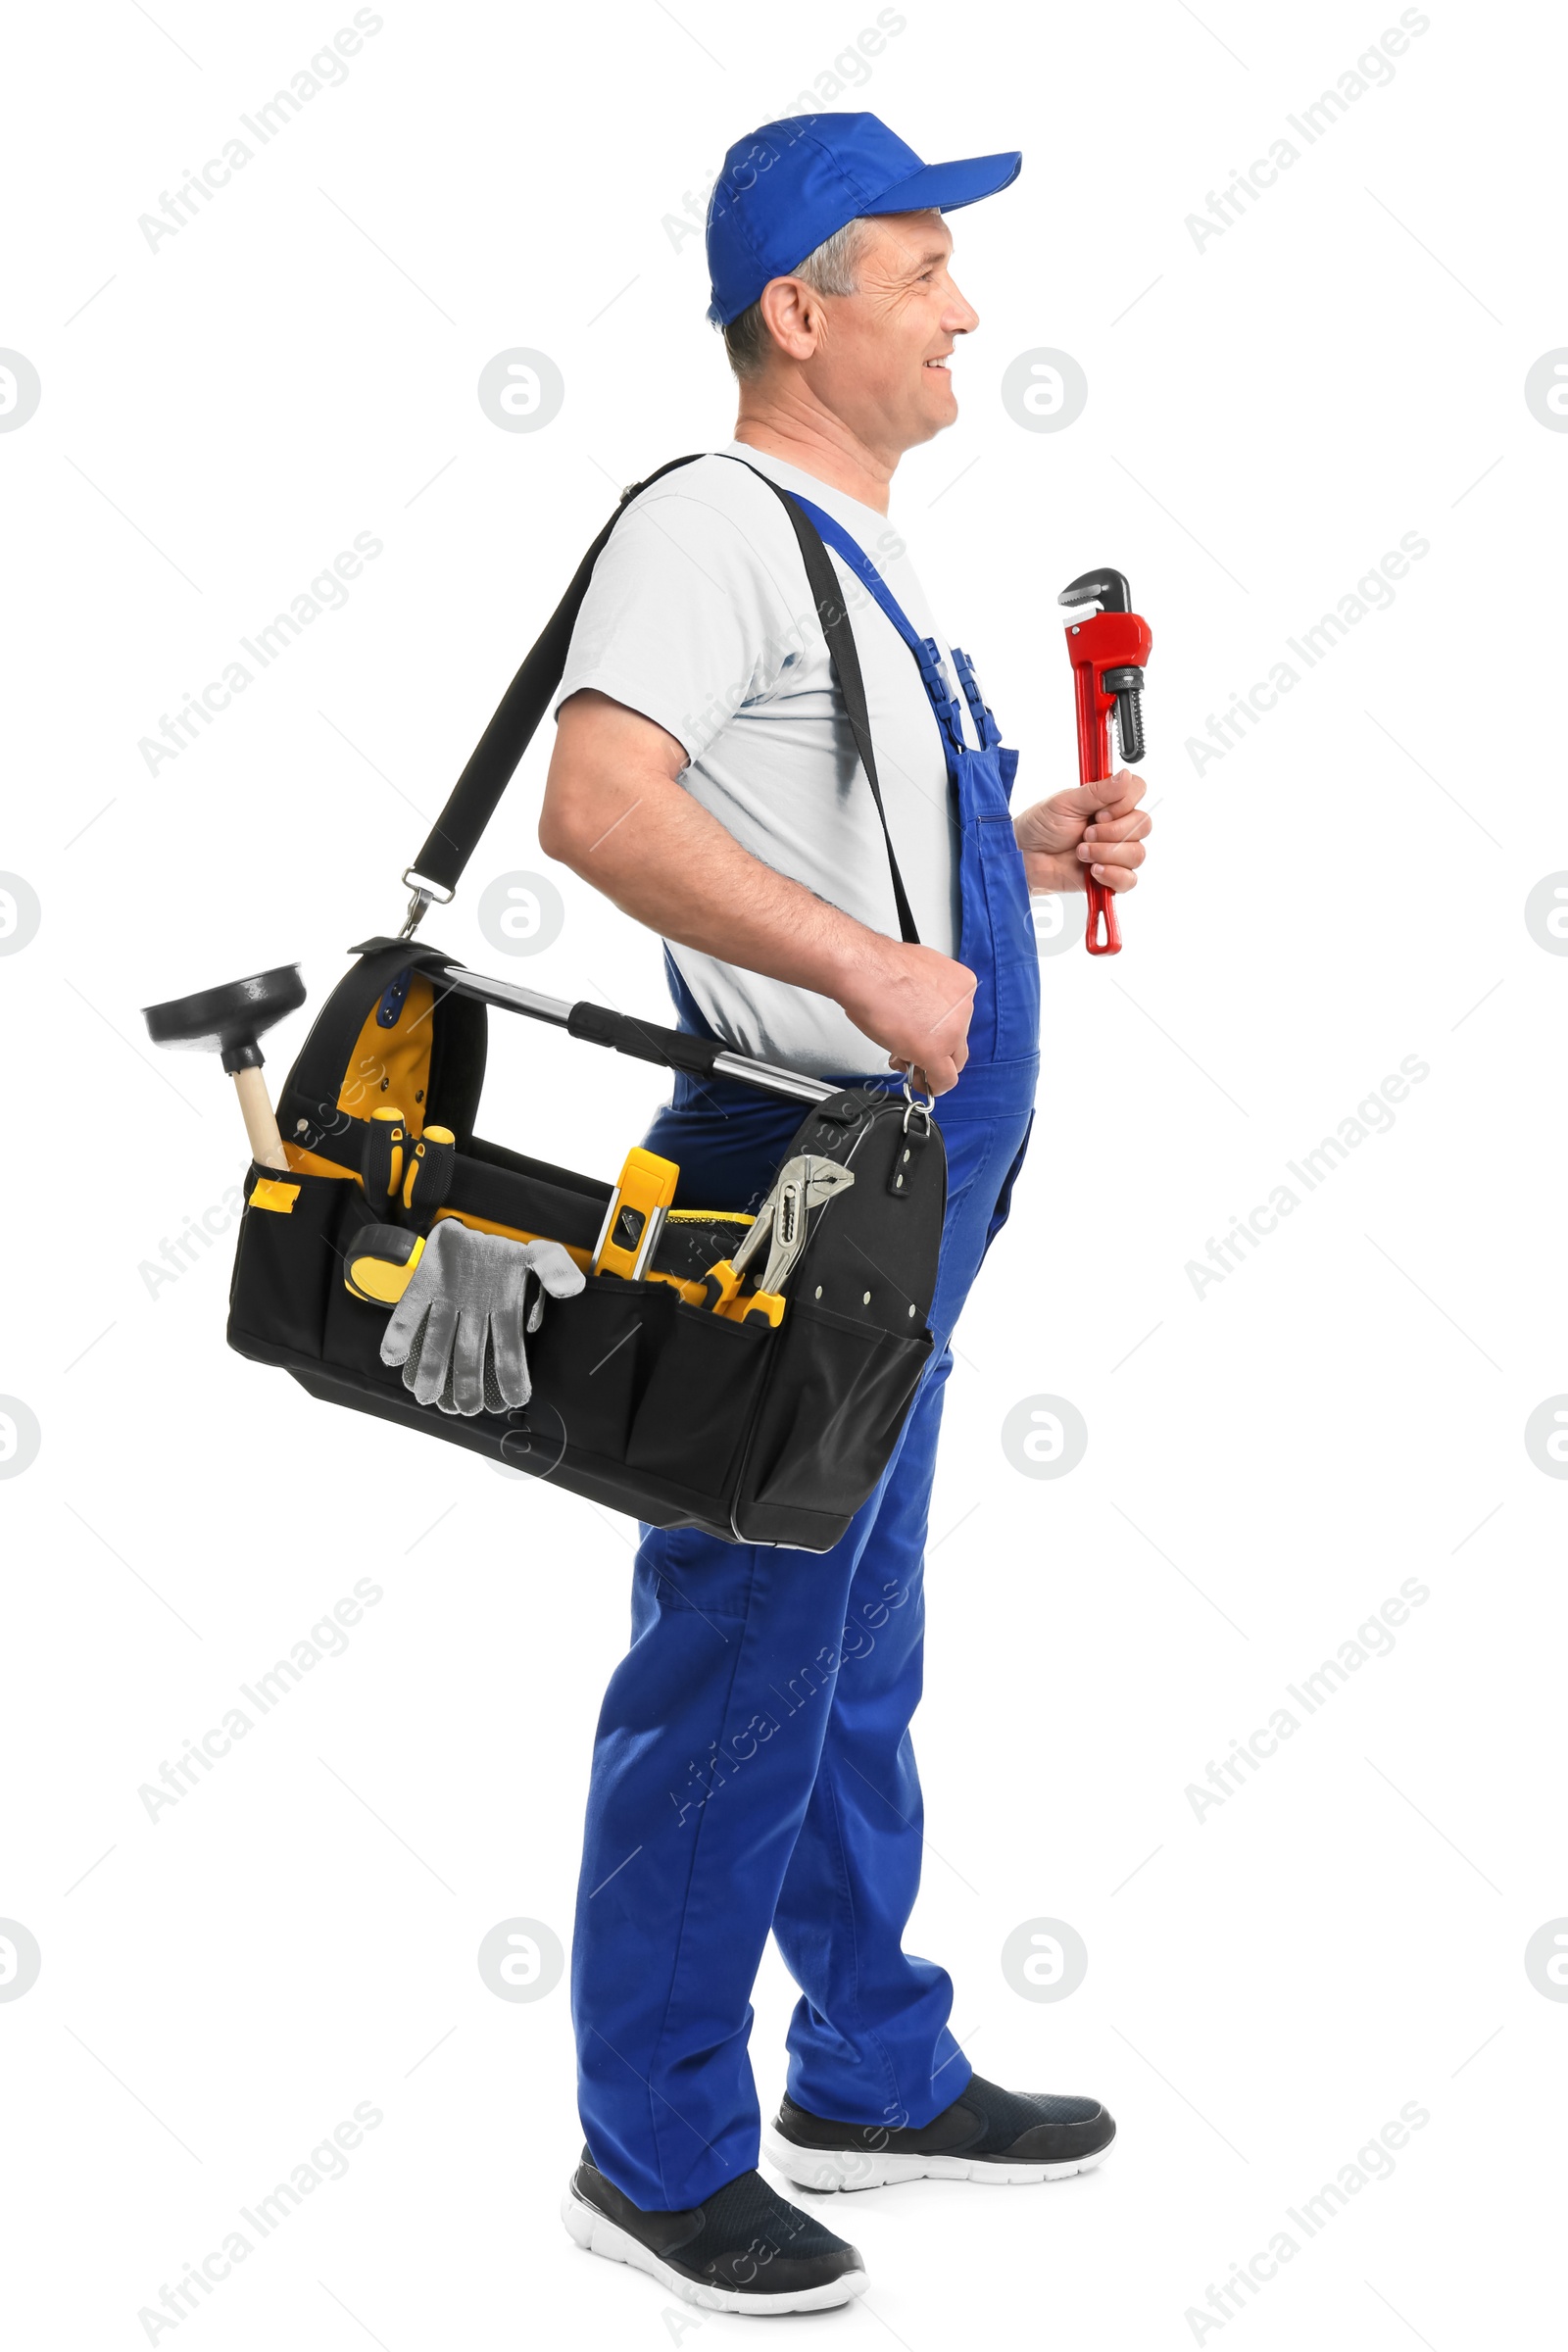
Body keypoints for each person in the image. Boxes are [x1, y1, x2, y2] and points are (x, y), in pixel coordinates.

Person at [540, 111, 1151, 2315]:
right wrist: (866, 966)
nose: (962, 307)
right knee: (737, 1654)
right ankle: (657, 2146)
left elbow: (825, 811)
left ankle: (871, 2073)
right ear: (796, 314)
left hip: (893, 1191)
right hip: (789, 1176)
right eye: (915, 273)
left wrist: (1018, 840)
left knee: (847, 1638)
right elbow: (596, 803)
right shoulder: (712, 519)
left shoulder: (840, 552)